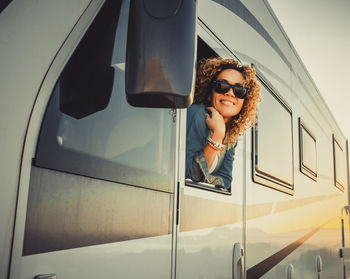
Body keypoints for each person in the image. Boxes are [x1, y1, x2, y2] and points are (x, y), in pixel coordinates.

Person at [186, 57, 261, 191]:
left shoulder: (231, 135)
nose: (230, 93)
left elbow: (226, 179)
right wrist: (217, 135)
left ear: (245, 101)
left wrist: (221, 133)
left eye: (239, 90)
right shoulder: (197, 114)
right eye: (222, 86)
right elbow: (190, 175)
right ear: (210, 93)